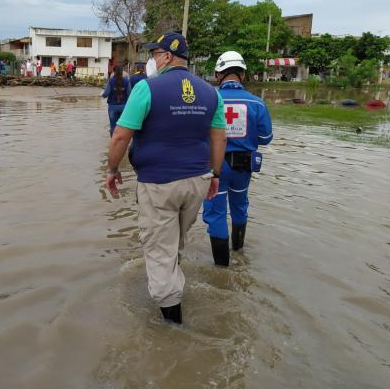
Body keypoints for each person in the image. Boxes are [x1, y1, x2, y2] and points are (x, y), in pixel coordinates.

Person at [105, 32, 227, 324]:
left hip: (159, 184)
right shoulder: (212, 93)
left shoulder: (147, 88)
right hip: (198, 180)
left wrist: (111, 170)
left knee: (159, 249)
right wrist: (215, 174)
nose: (153, 60)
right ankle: (173, 283)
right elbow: (219, 138)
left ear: (168, 56)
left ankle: (173, 327)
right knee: (176, 241)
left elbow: (121, 135)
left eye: (156, 54)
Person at [202, 51, 273, 266]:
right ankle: (239, 251)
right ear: (242, 74)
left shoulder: (209, 99)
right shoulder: (258, 104)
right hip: (243, 167)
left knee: (216, 213)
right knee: (240, 207)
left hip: (214, 166)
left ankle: (222, 270)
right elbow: (265, 138)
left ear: (218, 74)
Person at [101, 65, 131, 136]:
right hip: (124, 107)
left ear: (113, 72)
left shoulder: (110, 81)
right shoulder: (126, 81)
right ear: (122, 72)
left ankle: (113, 143)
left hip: (112, 107)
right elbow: (130, 94)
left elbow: (106, 94)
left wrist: (102, 94)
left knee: (113, 127)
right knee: (123, 127)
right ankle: (122, 143)